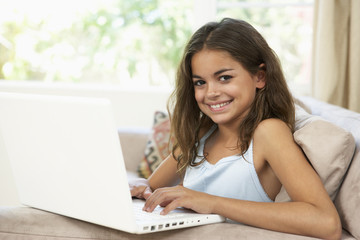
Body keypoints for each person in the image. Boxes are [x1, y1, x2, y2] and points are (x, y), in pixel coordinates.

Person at [129, 18, 341, 239]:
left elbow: (326, 222)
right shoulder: (203, 132)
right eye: (200, 82)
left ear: (260, 76)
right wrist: (139, 186)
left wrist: (212, 203)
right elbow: (151, 186)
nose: (210, 92)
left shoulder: (269, 133)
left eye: (224, 78)